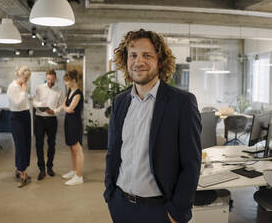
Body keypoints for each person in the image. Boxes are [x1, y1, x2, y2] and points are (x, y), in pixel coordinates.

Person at [104, 29, 202, 223]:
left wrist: (176, 213)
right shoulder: (120, 102)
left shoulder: (181, 103)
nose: (139, 62)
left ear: (160, 60)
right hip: (121, 206)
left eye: (147, 55)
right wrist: (110, 195)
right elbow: (113, 151)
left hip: (159, 211)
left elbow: (191, 164)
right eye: (133, 55)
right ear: (126, 61)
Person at [32, 69, 64, 180]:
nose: (50, 80)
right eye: (48, 78)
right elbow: (34, 102)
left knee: (52, 144)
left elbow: (61, 106)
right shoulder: (39, 88)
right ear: (46, 78)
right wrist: (40, 104)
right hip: (39, 119)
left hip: (52, 119)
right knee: (39, 144)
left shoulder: (59, 90)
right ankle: (41, 169)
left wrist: (54, 111)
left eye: (52, 78)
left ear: (55, 78)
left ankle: (49, 167)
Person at [7, 65, 32, 188]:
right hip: (16, 118)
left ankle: (20, 168)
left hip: (26, 116)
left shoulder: (22, 86)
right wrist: (23, 91)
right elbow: (17, 104)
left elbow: (25, 103)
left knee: (26, 144)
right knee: (20, 145)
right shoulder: (13, 87)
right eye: (25, 77)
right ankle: (23, 175)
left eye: (27, 78)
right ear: (19, 75)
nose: (26, 80)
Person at [61, 70, 85, 186]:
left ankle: (79, 176)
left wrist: (66, 107)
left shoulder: (78, 93)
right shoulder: (70, 91)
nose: (66, 83)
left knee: (77, 149)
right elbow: (65, 105)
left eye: (67, 81)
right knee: (72, 148)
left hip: (75, 123)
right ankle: (74, 170)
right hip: (68, 122)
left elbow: (69, 109)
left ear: (73, 80)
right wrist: (66, 107)